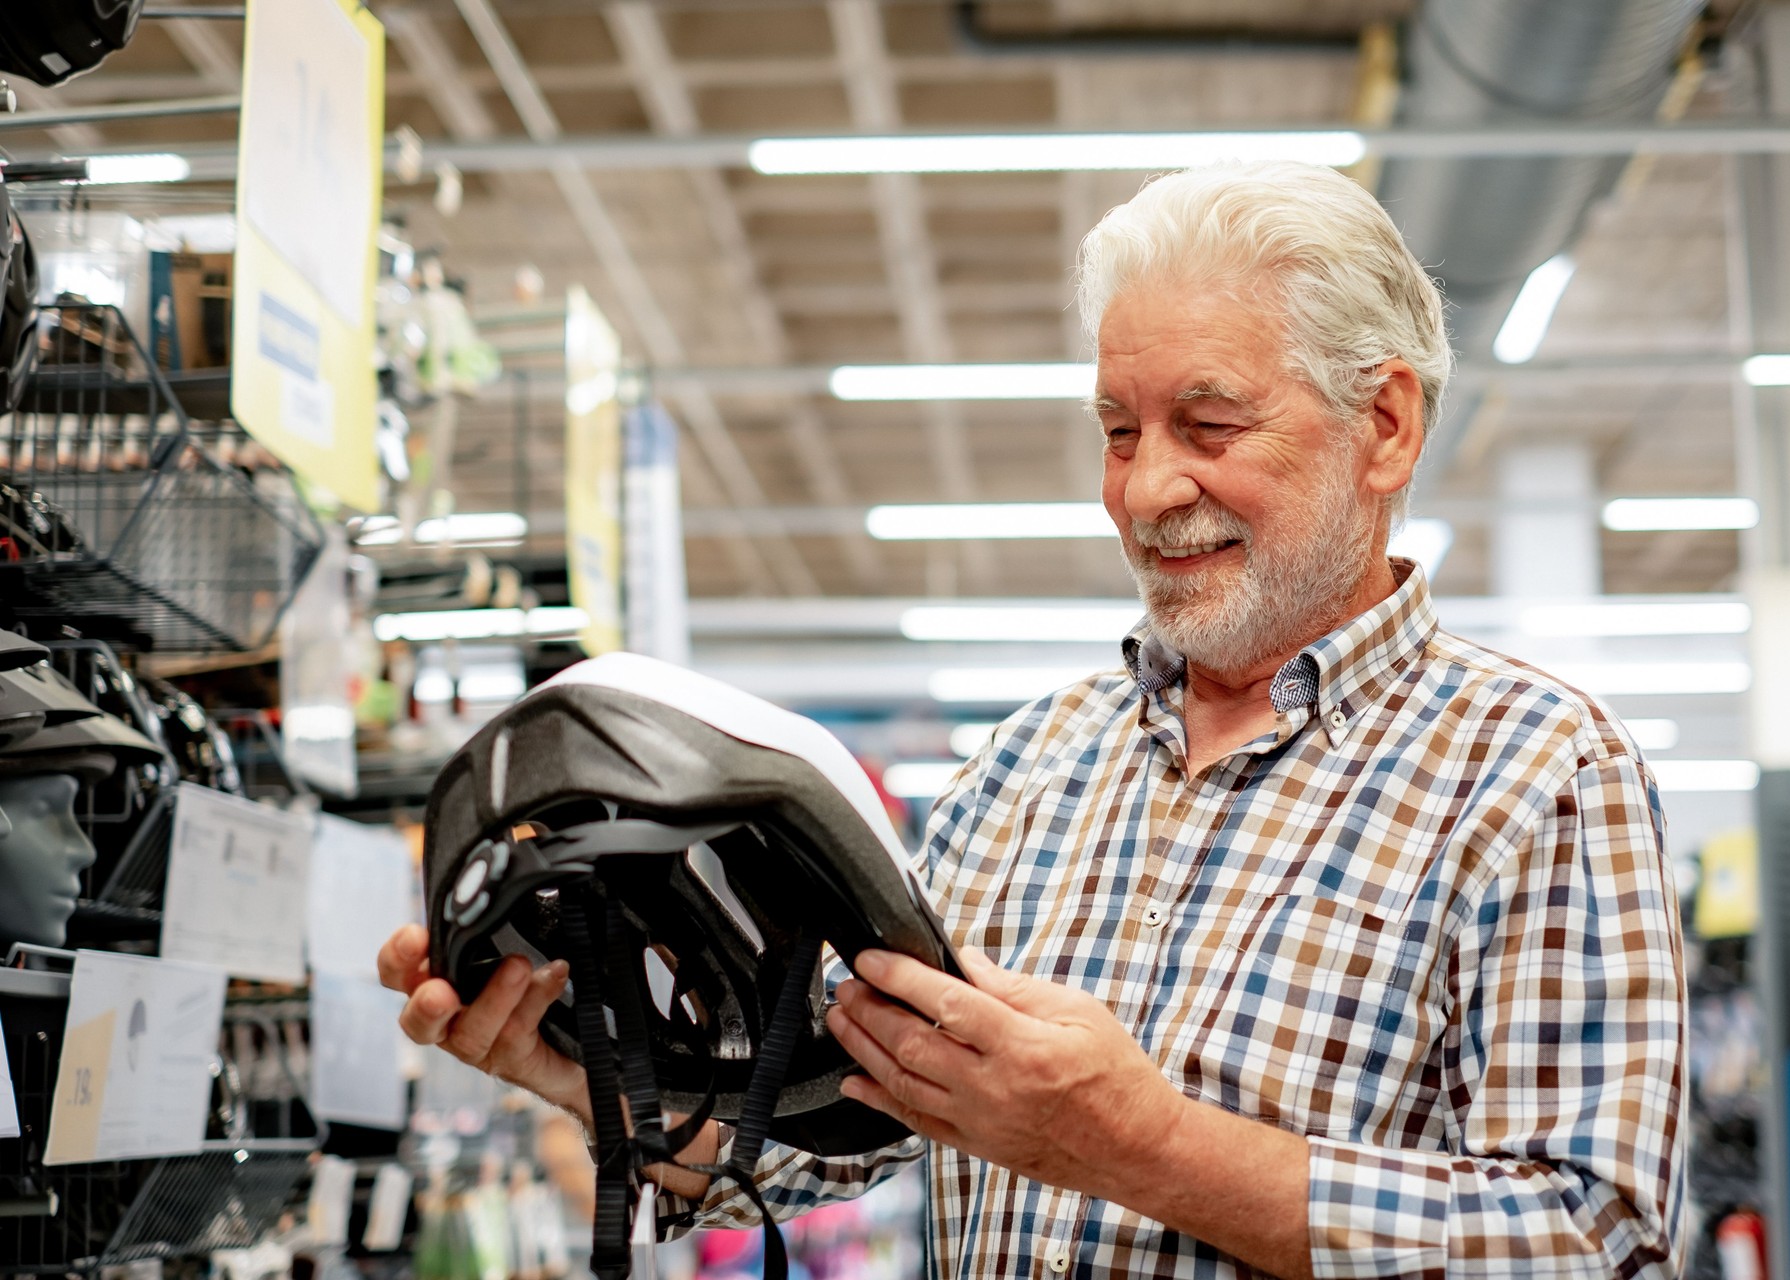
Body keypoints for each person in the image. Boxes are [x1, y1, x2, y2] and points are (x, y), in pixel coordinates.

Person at [379, 159, 1686, 1279]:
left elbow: (1590, 1239)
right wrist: (605, 1075)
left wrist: (1146, 1146)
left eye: (1209, 422)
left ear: (1384, 424)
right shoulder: (1032, 766)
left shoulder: (1540, 775)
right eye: (1118, 430)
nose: (1148, 488)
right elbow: (860, 1128)